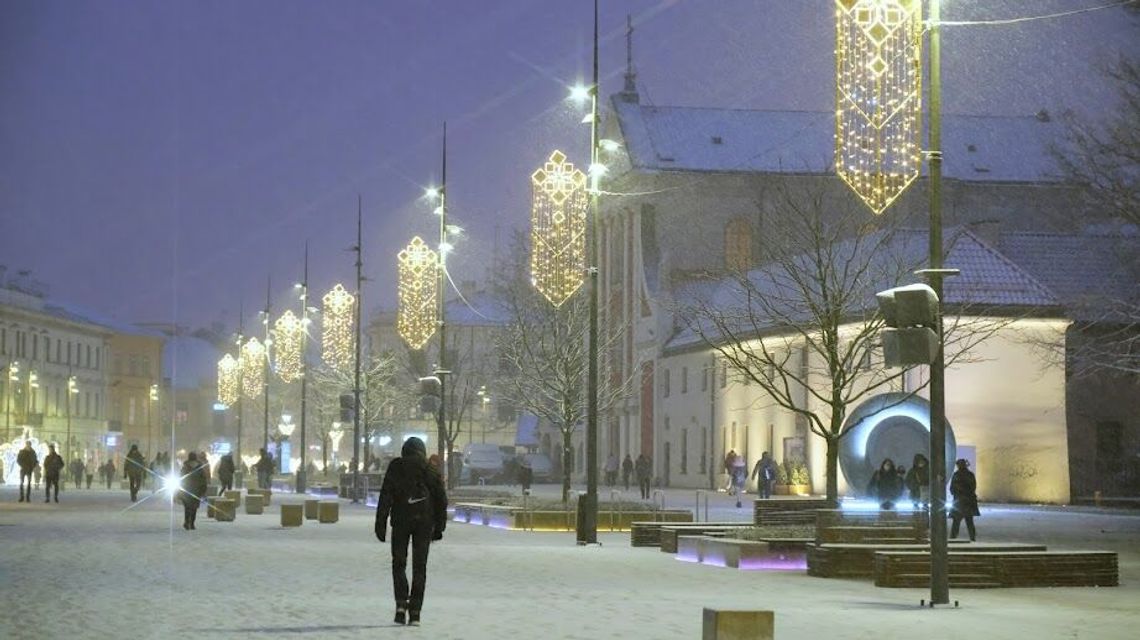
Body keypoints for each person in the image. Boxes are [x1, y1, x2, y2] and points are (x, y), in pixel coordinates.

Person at [375, 436, 447, 627]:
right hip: (424, 523)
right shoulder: (429, 469)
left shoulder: (396, 467)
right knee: (419, 567)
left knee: (399, 563)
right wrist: (439, 527)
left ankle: (400, 605)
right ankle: (415, 612)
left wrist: (380, 523)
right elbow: (441, 499)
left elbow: (386, 495)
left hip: (400, 522)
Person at [950, 458, 979, 541]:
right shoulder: (970, 475)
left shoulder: (956, 475)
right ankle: (972, 537)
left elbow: (952, 489)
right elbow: (973, 487)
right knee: (969, 522)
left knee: (956, 522)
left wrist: (957, 492)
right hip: (968, 502)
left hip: (959, 502)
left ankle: (953, 538)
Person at [179, 452, 208, 530]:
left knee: (187, 507)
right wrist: (203, 489)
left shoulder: (185, 467)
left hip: (186, 489)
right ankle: (192, 523)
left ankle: (186, 522)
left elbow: (181, 478)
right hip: (197, 490)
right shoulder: (199, 468)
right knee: (194, 507)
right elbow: (203, 480)